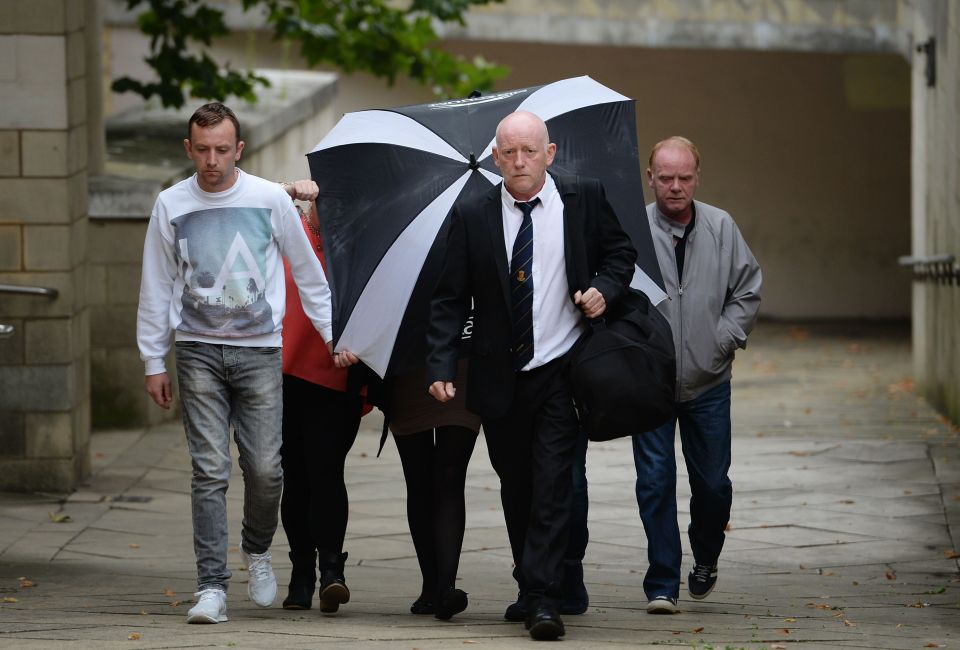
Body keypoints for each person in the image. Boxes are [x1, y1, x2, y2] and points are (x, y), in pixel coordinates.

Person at [425, 111, 636, 641]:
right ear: (495, 158)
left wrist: (602, 290)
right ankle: (530, 580)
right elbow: (449, 297)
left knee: (553, 484)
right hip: (501, 374)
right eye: (509, 153)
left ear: (550, 153)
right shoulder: (472, 213)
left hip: (564, 369)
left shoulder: (582, 197)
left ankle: (545, 597)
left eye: (529, 151)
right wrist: (440, 364)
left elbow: (620, 253)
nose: (519, 162)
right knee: (516, 486)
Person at [136, 102, 345, 624]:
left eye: (222, 150)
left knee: (266, 470)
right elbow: (157, 285)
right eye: (202, 150)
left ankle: (256, 548)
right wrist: (152, 360)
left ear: (239, 150)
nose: (212, 160)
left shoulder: (269, 199)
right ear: (189, 149)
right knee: (209, 470)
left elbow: (309, 273)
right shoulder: (170, 204)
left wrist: (332, 336)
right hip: (197, 349)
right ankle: (211, 586)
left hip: (259, 351)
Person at [632, 136, 762, 615]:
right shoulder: (633, 228)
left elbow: (747, 289)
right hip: (650, 382)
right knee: (655, 482)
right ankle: (662, 582)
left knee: (713, 485)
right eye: (665, 177)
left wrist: (722, 340)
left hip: (708, 382)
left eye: (684, 177)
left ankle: (705, 556)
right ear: (651, 178)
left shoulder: (721, 227)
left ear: (697, 177)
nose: (675, 186)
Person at [278, 196, 368, 614]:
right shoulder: (284, 231)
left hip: (336, 375)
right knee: (295, 476)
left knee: (326, 471)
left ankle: (333, 570)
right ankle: (301, 572)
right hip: (281, 375)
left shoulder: (357, 243)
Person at [385, 361, 480, 620]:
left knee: (450, 475)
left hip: (462, 361)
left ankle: (446, 587)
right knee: (418, 480)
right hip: (408, 365)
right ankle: (431, 584)